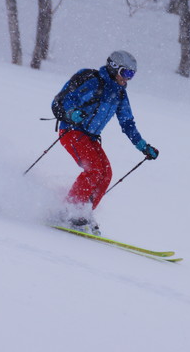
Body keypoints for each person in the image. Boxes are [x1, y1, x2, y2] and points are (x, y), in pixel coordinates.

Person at [54, 50, 158, 235]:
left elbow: (127, 123)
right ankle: (70, 211)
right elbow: (67, 100)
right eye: (126, 73)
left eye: (132, 75)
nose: (128, 79)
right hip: (72, 131)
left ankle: (83, 213)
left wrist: (142, 145)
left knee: (106, 174)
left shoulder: (119, 94)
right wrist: (72, 114)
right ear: (114, 69)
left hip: (91, 137)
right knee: (94, 169)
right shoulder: (95, 83)